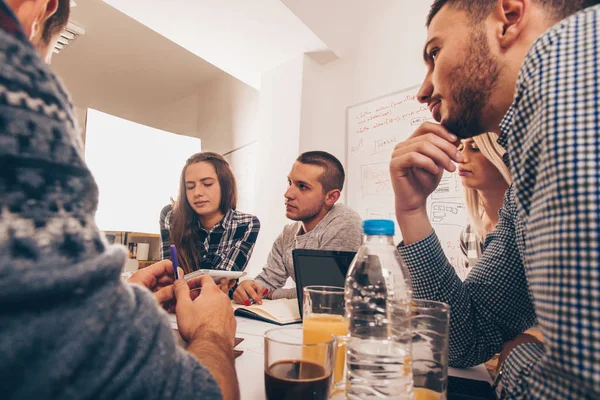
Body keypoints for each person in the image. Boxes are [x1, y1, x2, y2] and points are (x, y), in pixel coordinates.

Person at [0, 1, 239, 399]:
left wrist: (119, 300)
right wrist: (214, 335)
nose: (197, 192)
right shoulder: (19, 86)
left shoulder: (243, 222)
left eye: (207, 184)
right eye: (50, 52)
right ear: (41, 8)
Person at [389, 0, 600, 398]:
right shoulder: (523, 194)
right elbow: (468, 336)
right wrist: (412, 210)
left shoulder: (575, 59)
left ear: (509, 17)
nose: (424, 90)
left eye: (435, 52)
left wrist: (518, 358)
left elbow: (573, 389)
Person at [233, 151, 362, 305]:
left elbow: (324, 293)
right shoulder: (288, 233)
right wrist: (249, 289)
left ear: (331, 197)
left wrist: (273, 295)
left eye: (302, 186)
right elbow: (267, 283)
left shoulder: (345, 221)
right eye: (290, 183)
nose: (288, 194)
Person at [160, 152, 260, 295]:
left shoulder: (247, 224)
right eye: (190, 186)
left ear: (225, 185)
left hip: (219, 304)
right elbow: (167, 275)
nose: (197, 192)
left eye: (207, 184)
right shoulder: (171, 216)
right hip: (177, 304)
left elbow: (220, 281)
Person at [457, 133, 511, 270]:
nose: (461, 157)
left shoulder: (527, 226)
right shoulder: (469, 235)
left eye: (475, 148)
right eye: (459, 148)